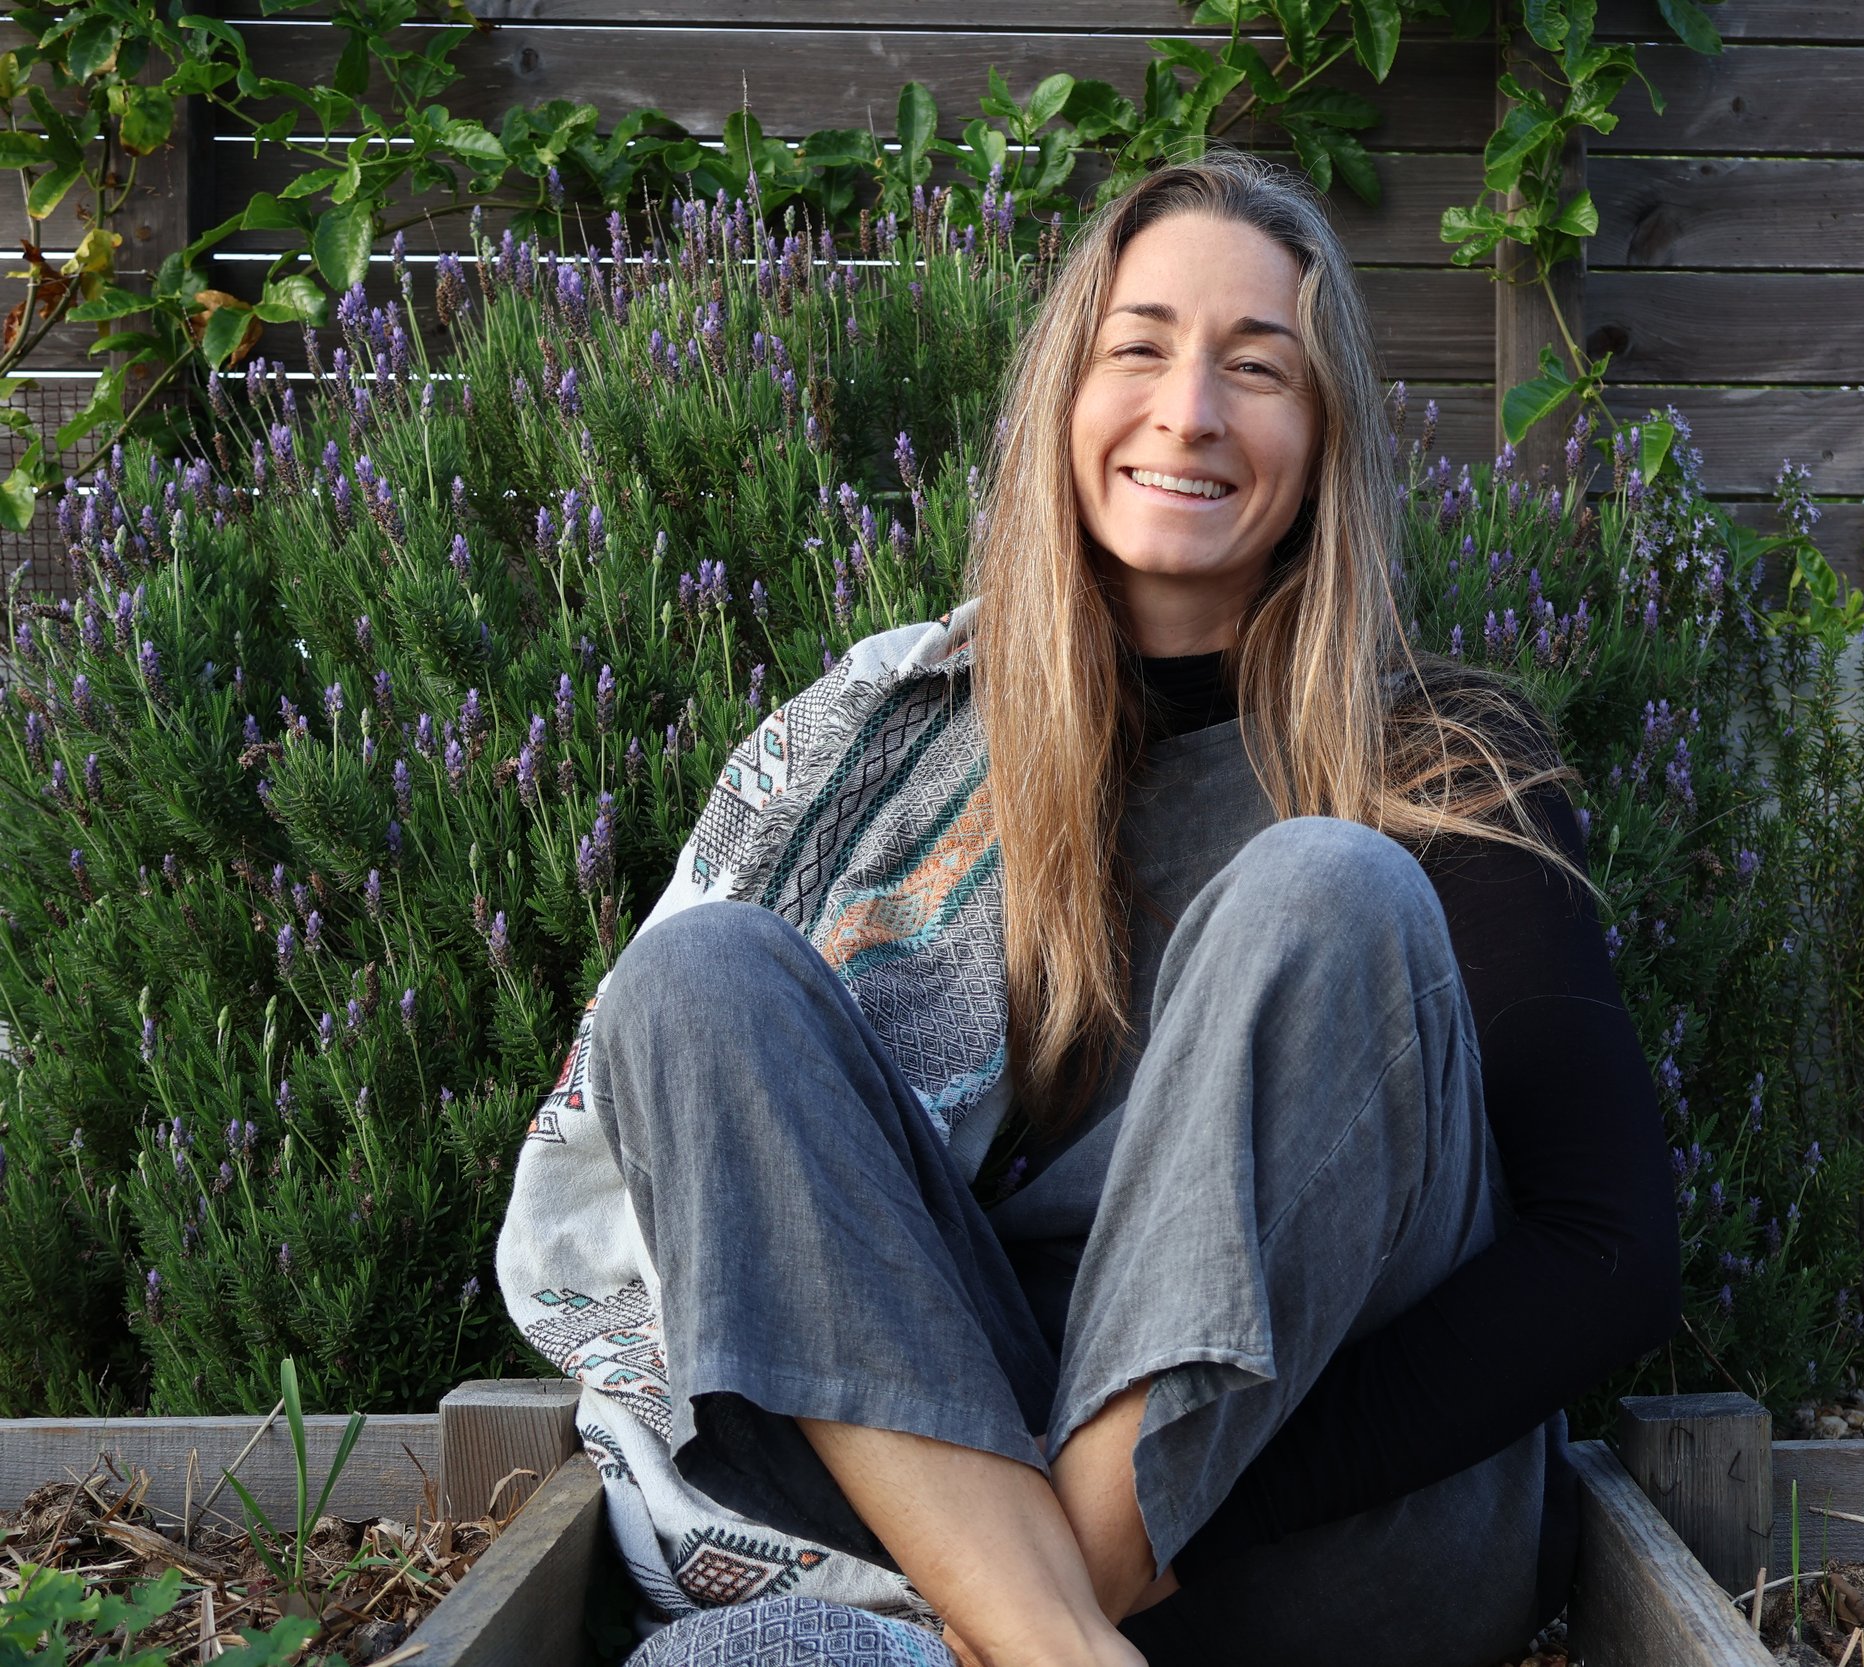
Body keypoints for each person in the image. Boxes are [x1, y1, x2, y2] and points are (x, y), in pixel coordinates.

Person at [495, 150, 1679, 1667]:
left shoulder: (1445, 764)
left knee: (1327, 886)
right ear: (1067, 393)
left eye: (1261, 370)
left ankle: (1033, 1639)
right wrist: (1022, 1556)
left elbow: (1606, 1253)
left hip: (1314, 1540)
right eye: (1141, 349)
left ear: (1325, 440)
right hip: (962, 1504)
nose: (1189, 412)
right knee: (698, 981)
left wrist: (1142, 1543)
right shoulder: (902, 740)